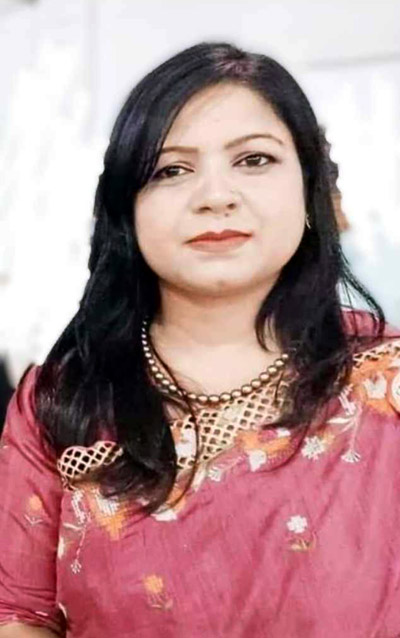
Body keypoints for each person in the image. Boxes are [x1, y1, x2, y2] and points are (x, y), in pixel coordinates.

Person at [0, 41, 399, 638]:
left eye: (254, 160)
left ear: (310, 192)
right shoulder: (63, 402)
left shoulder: (386, 383)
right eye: (171, 170)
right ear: (127, 210)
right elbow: (19, 615)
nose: (215, 196)